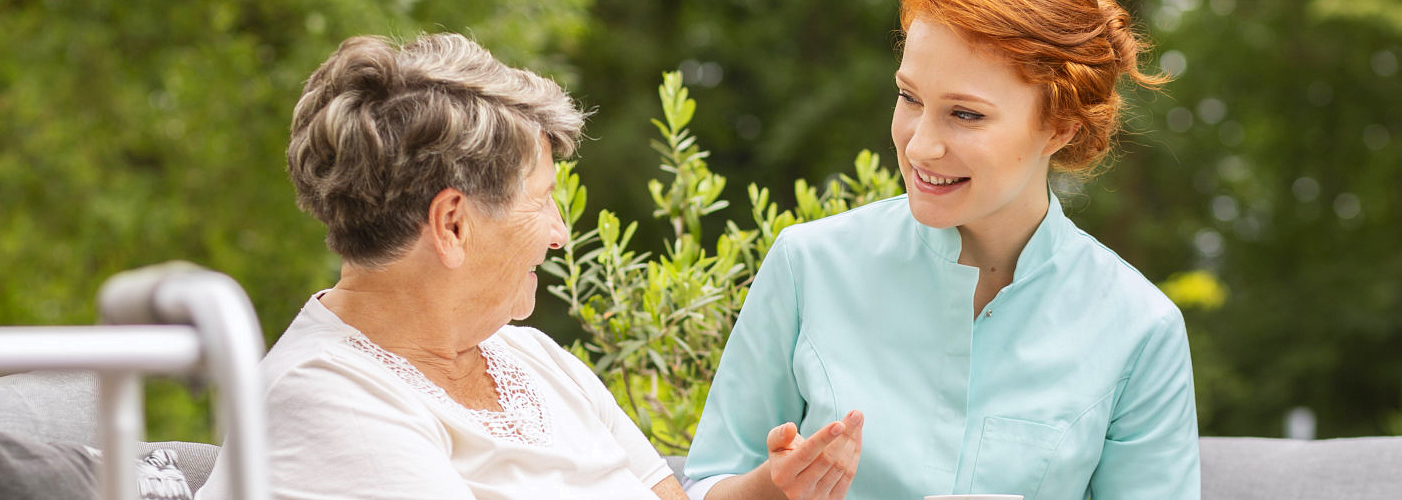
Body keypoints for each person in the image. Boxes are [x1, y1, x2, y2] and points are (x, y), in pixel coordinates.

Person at [681, 0, 1196, 499]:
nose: (920, 146)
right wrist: (773, 490)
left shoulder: (1140, 330)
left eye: (966, 115)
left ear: (1060, 128)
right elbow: (704, 484)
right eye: (910, 97)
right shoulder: (808, 265)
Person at [193, 33, 689, 500]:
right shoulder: (325, 400)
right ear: (452, 224)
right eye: (540, 202)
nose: (559, 234)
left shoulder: (534, 357)